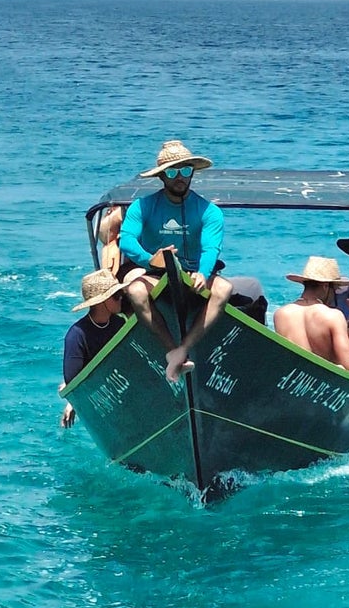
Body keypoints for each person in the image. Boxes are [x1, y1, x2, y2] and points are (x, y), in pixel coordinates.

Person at [118, 139, 233, 383]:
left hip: (192, 274)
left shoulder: (209, 211)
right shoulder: (143, 206)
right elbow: (126, 241)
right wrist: (151, 260)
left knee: (225, 289)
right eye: (172, 172)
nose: (179, 177)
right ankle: (171, 349)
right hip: (156, 271)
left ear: (192, 171)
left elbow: (211, 247)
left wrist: (203, 272)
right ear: (162, 177)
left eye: (185, 170)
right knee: (136, 291)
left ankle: (184, 348)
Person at [59, 268, 128, 426]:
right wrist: (73, 403)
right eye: (116, 295)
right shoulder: (76, 335)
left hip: (121, 387)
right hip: (102, 398)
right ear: (102, 301)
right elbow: (73, 381)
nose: (121, 298)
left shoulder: (120, 323)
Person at [272, 256, 349, 370]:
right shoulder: (333, 316)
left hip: (294, 377)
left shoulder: (280, 314)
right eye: (335, 289)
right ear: (325, 286)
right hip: (322, 381)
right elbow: (348, 365)